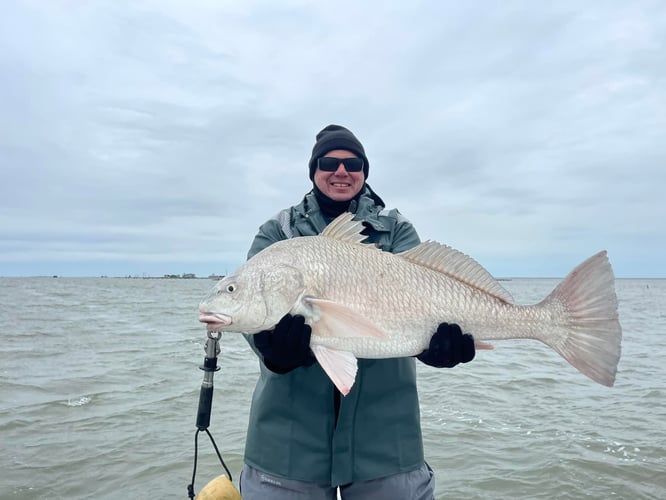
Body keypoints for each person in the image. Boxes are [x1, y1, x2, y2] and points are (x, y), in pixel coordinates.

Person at [239, 124, 476, 500]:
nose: (341, 171)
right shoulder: (278, 233)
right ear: (314, 170)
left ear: (365, 172)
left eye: (353, 164)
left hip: (387, 445)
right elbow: (251, 305)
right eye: (329, 162)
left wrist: (435, 348)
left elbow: (426, 297)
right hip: (286, 445)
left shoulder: (396, 231)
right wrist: (269, 349)